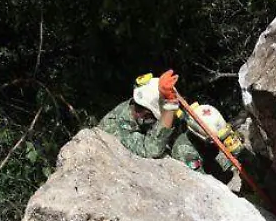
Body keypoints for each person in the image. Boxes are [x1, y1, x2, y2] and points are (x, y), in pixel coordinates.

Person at [99, 71, 255, 180]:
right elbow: (152, 149)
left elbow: (183, 119)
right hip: (120, 172)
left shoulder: (141, 110)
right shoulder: (115, 128)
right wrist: (169, 107)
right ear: (146, 114)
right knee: (184, 152)